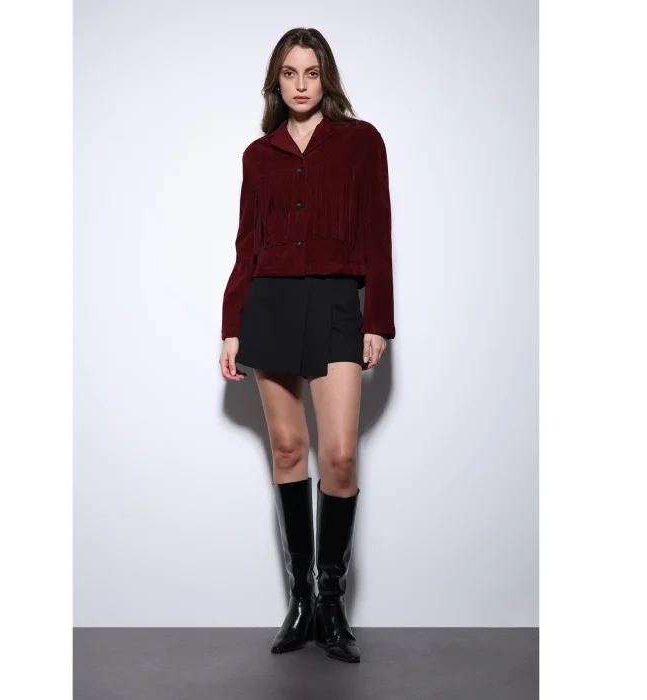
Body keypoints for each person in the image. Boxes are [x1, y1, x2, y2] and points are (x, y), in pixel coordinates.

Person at [218, 27, 396, 664]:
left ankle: (331, 600)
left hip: (334, 302)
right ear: (277, 80)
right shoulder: (258, 154)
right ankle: (300, 602)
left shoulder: (361, 141)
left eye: (311, 73)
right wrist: (232, 324)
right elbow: (247, 243)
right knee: (290, 448)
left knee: (340, 455)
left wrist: (377, 318)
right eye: (290, 73)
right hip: (269, 302)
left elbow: (378, 231)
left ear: (327, 79)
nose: (300, 84)